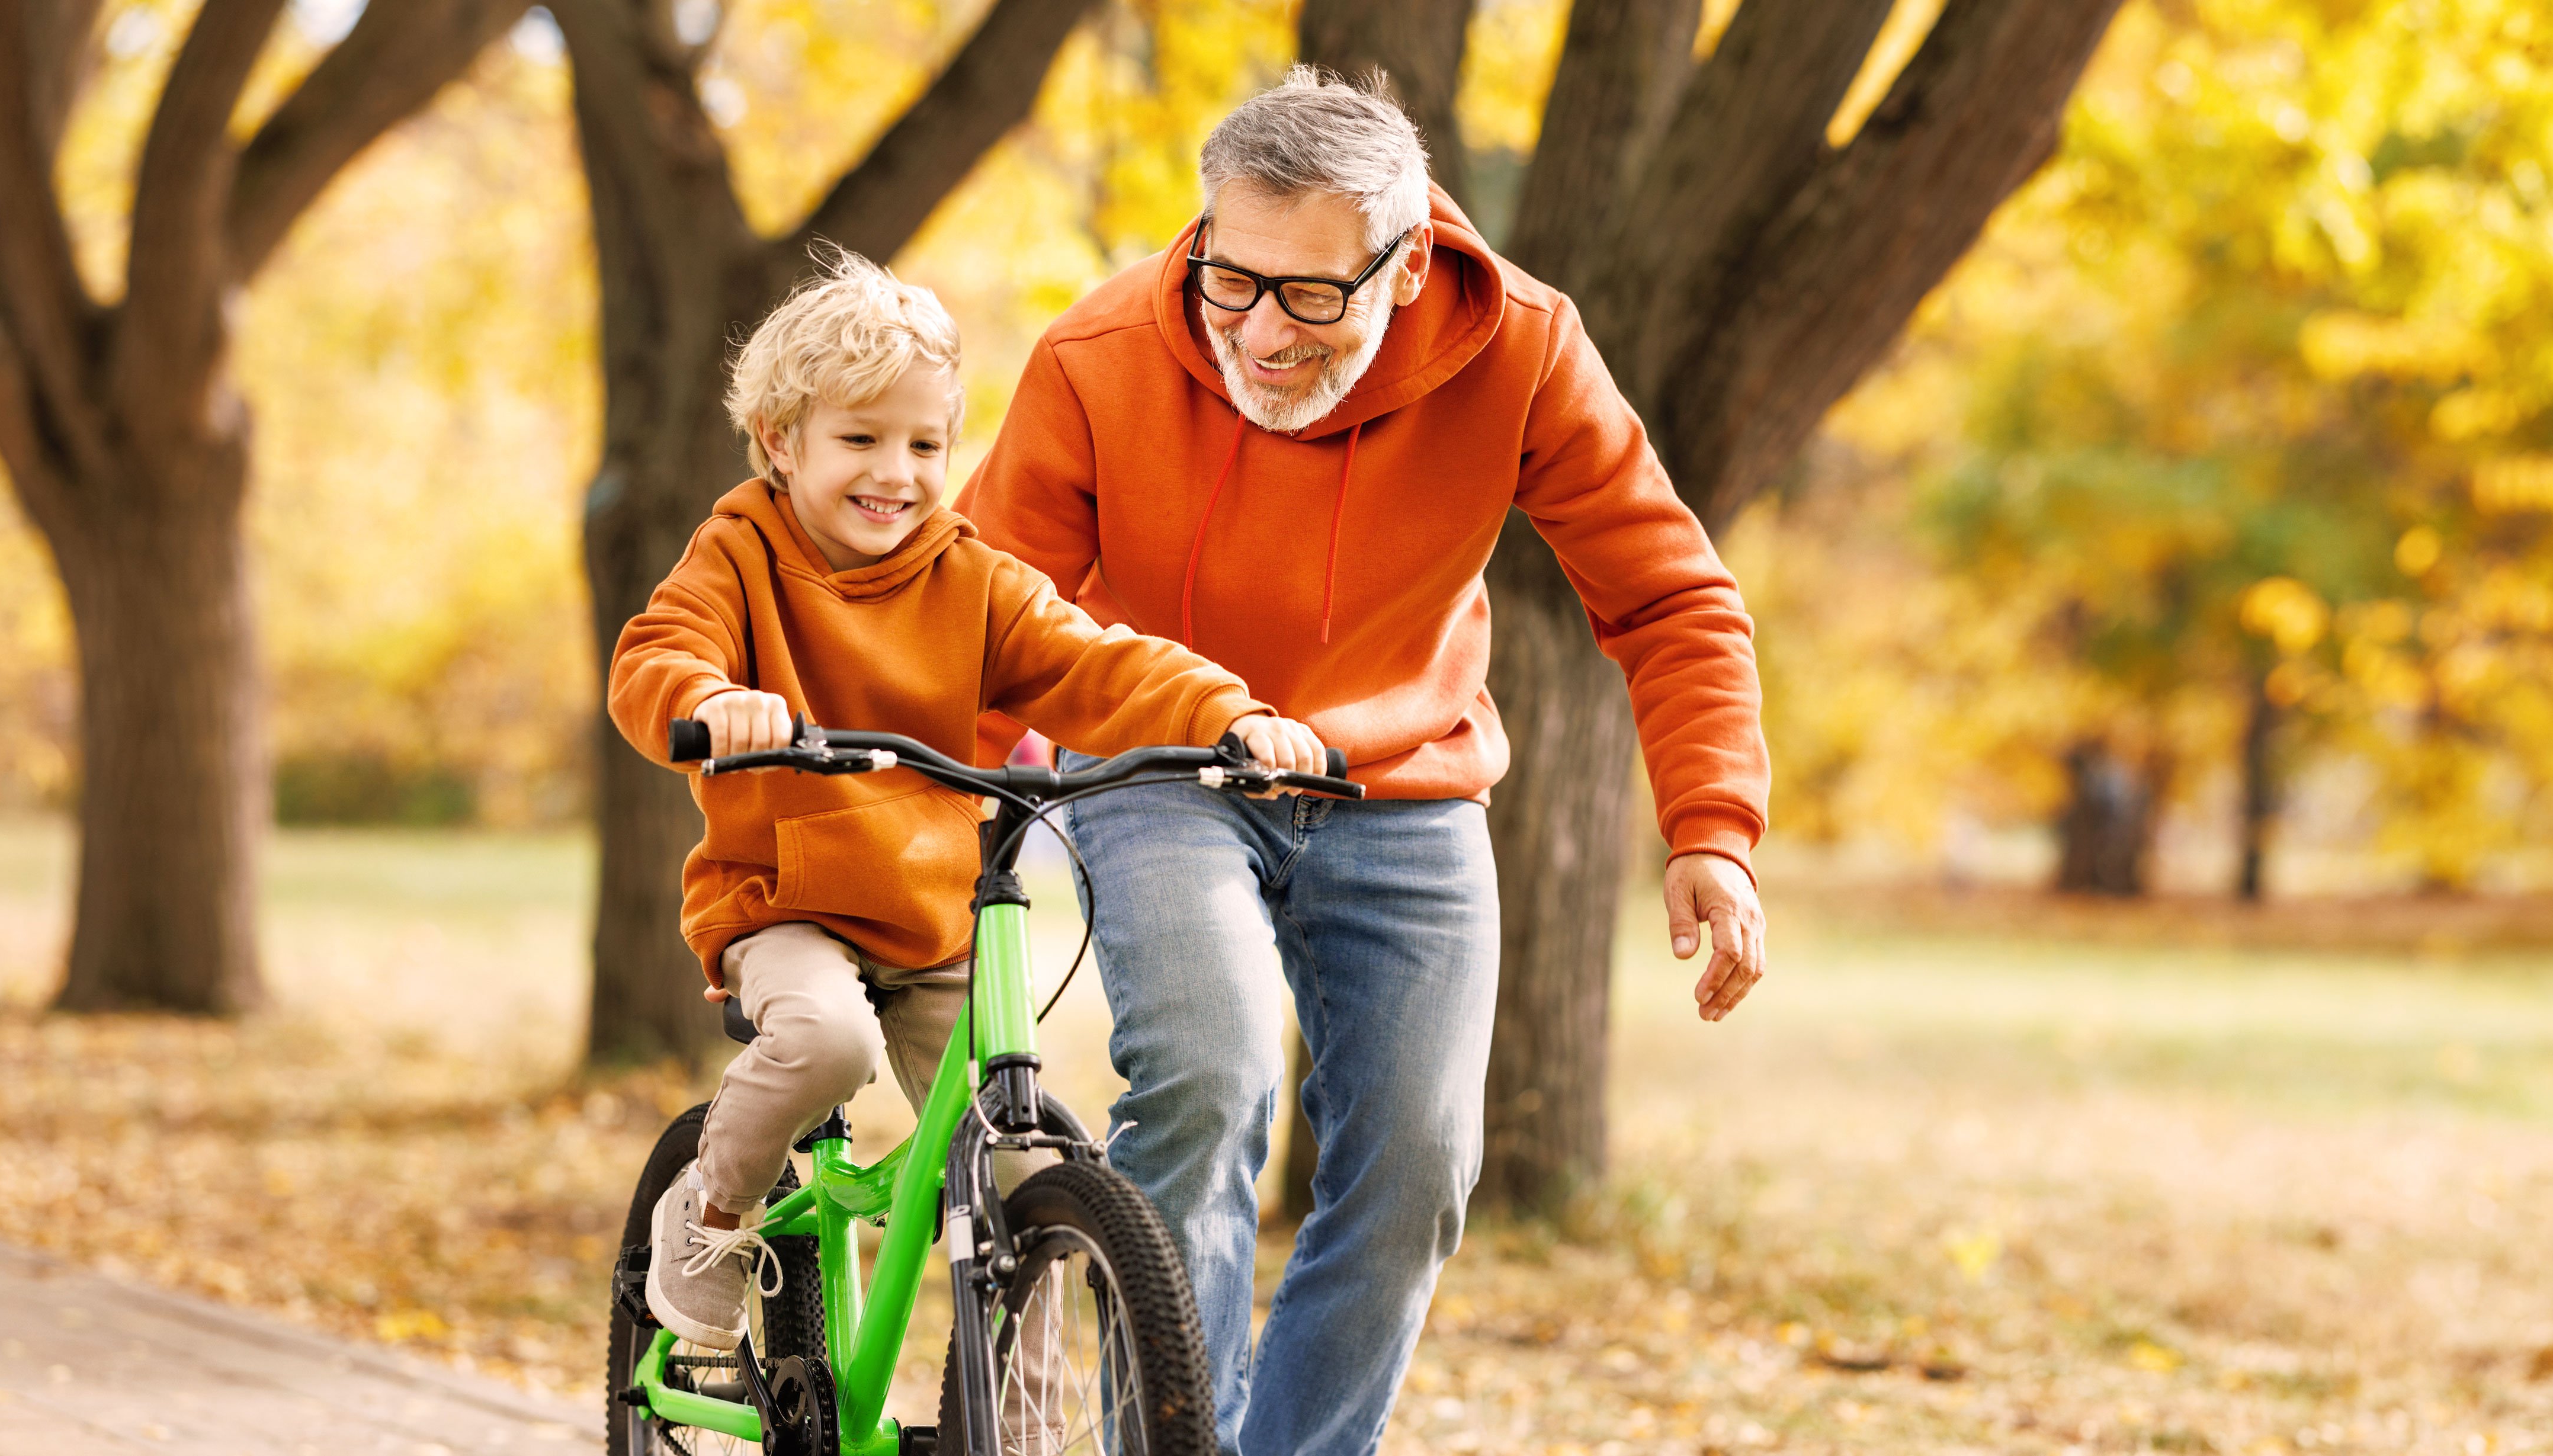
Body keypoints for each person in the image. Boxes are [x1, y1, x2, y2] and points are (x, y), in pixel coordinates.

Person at [956, 68, 1772, 1456]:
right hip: (1160, 761)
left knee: (1415, 1170)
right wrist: (890, 834)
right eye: (1232, 278)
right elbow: (978, 619)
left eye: (1311, 294)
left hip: (1400, 780)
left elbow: (1669, 595)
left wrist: (1710, 825)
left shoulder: (1517, 346)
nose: (1262, 331)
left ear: (1405, 268)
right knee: (1209, 1079)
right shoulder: (1101, 354)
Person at [605, 246, 1328, 1351]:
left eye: (925, 444)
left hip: (935, 918)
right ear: (779, 443)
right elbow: (658, 653)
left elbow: (1098, 662)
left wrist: (1227, 716)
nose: (895, 472)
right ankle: (707, 1209)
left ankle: (1021, 1413)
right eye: (859, 439)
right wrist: (713, 696)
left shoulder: (970, 575)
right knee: (829, 1042)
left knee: (1022, 1161)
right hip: (787, 903)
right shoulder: (739, 553)